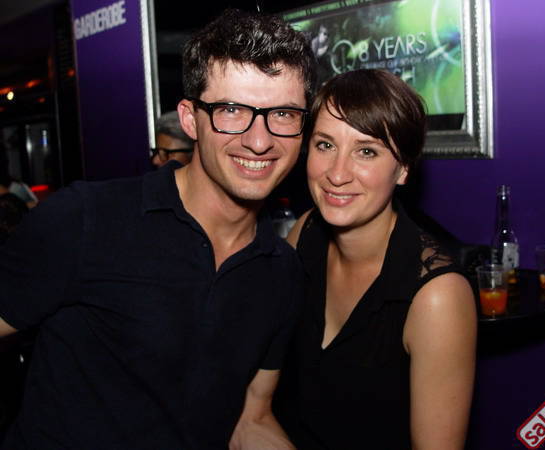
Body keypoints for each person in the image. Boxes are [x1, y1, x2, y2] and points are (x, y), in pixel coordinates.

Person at [0, 8, 315, 449]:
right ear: (189, 119)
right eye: (230, 110)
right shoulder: (85, 219)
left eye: (282, 113)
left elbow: (250, 420)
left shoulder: (282, 272)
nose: (259, 141)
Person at [275, 69, 477, 449]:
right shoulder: (304, 233)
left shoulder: (437, 297)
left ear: (403, 169)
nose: (337, 173)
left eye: (366, 151)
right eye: (325, 145)